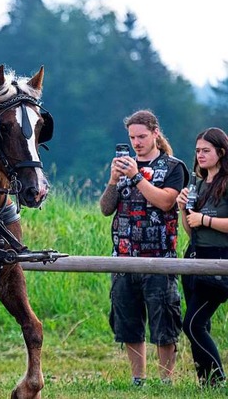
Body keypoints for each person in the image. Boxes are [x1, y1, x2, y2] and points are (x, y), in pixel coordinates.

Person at [99, 109, 188, 386]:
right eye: (132, 137)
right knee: (128, 322)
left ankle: (166, 381)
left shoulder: (173, 167)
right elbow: (105, 209)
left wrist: (138, 177)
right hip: (124, 257)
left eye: (141, 136)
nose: (136, 143)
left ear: (155, 134)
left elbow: (165, 202)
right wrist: (114, 179)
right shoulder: (123, 166)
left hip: (159, 257)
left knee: (164, 323)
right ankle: (138, 378)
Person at [176, 127, 228, 387]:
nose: (200, 155)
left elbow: (205, 221)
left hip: (220, 260)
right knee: (199, 325)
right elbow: (190, 228)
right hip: (194, 255)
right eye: (197, 151)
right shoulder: (196, 182)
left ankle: (217, 380)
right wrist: (182, 209)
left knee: (193, 324)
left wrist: (205, 218)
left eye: (206, 151)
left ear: (221, 152)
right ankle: (205, 382)